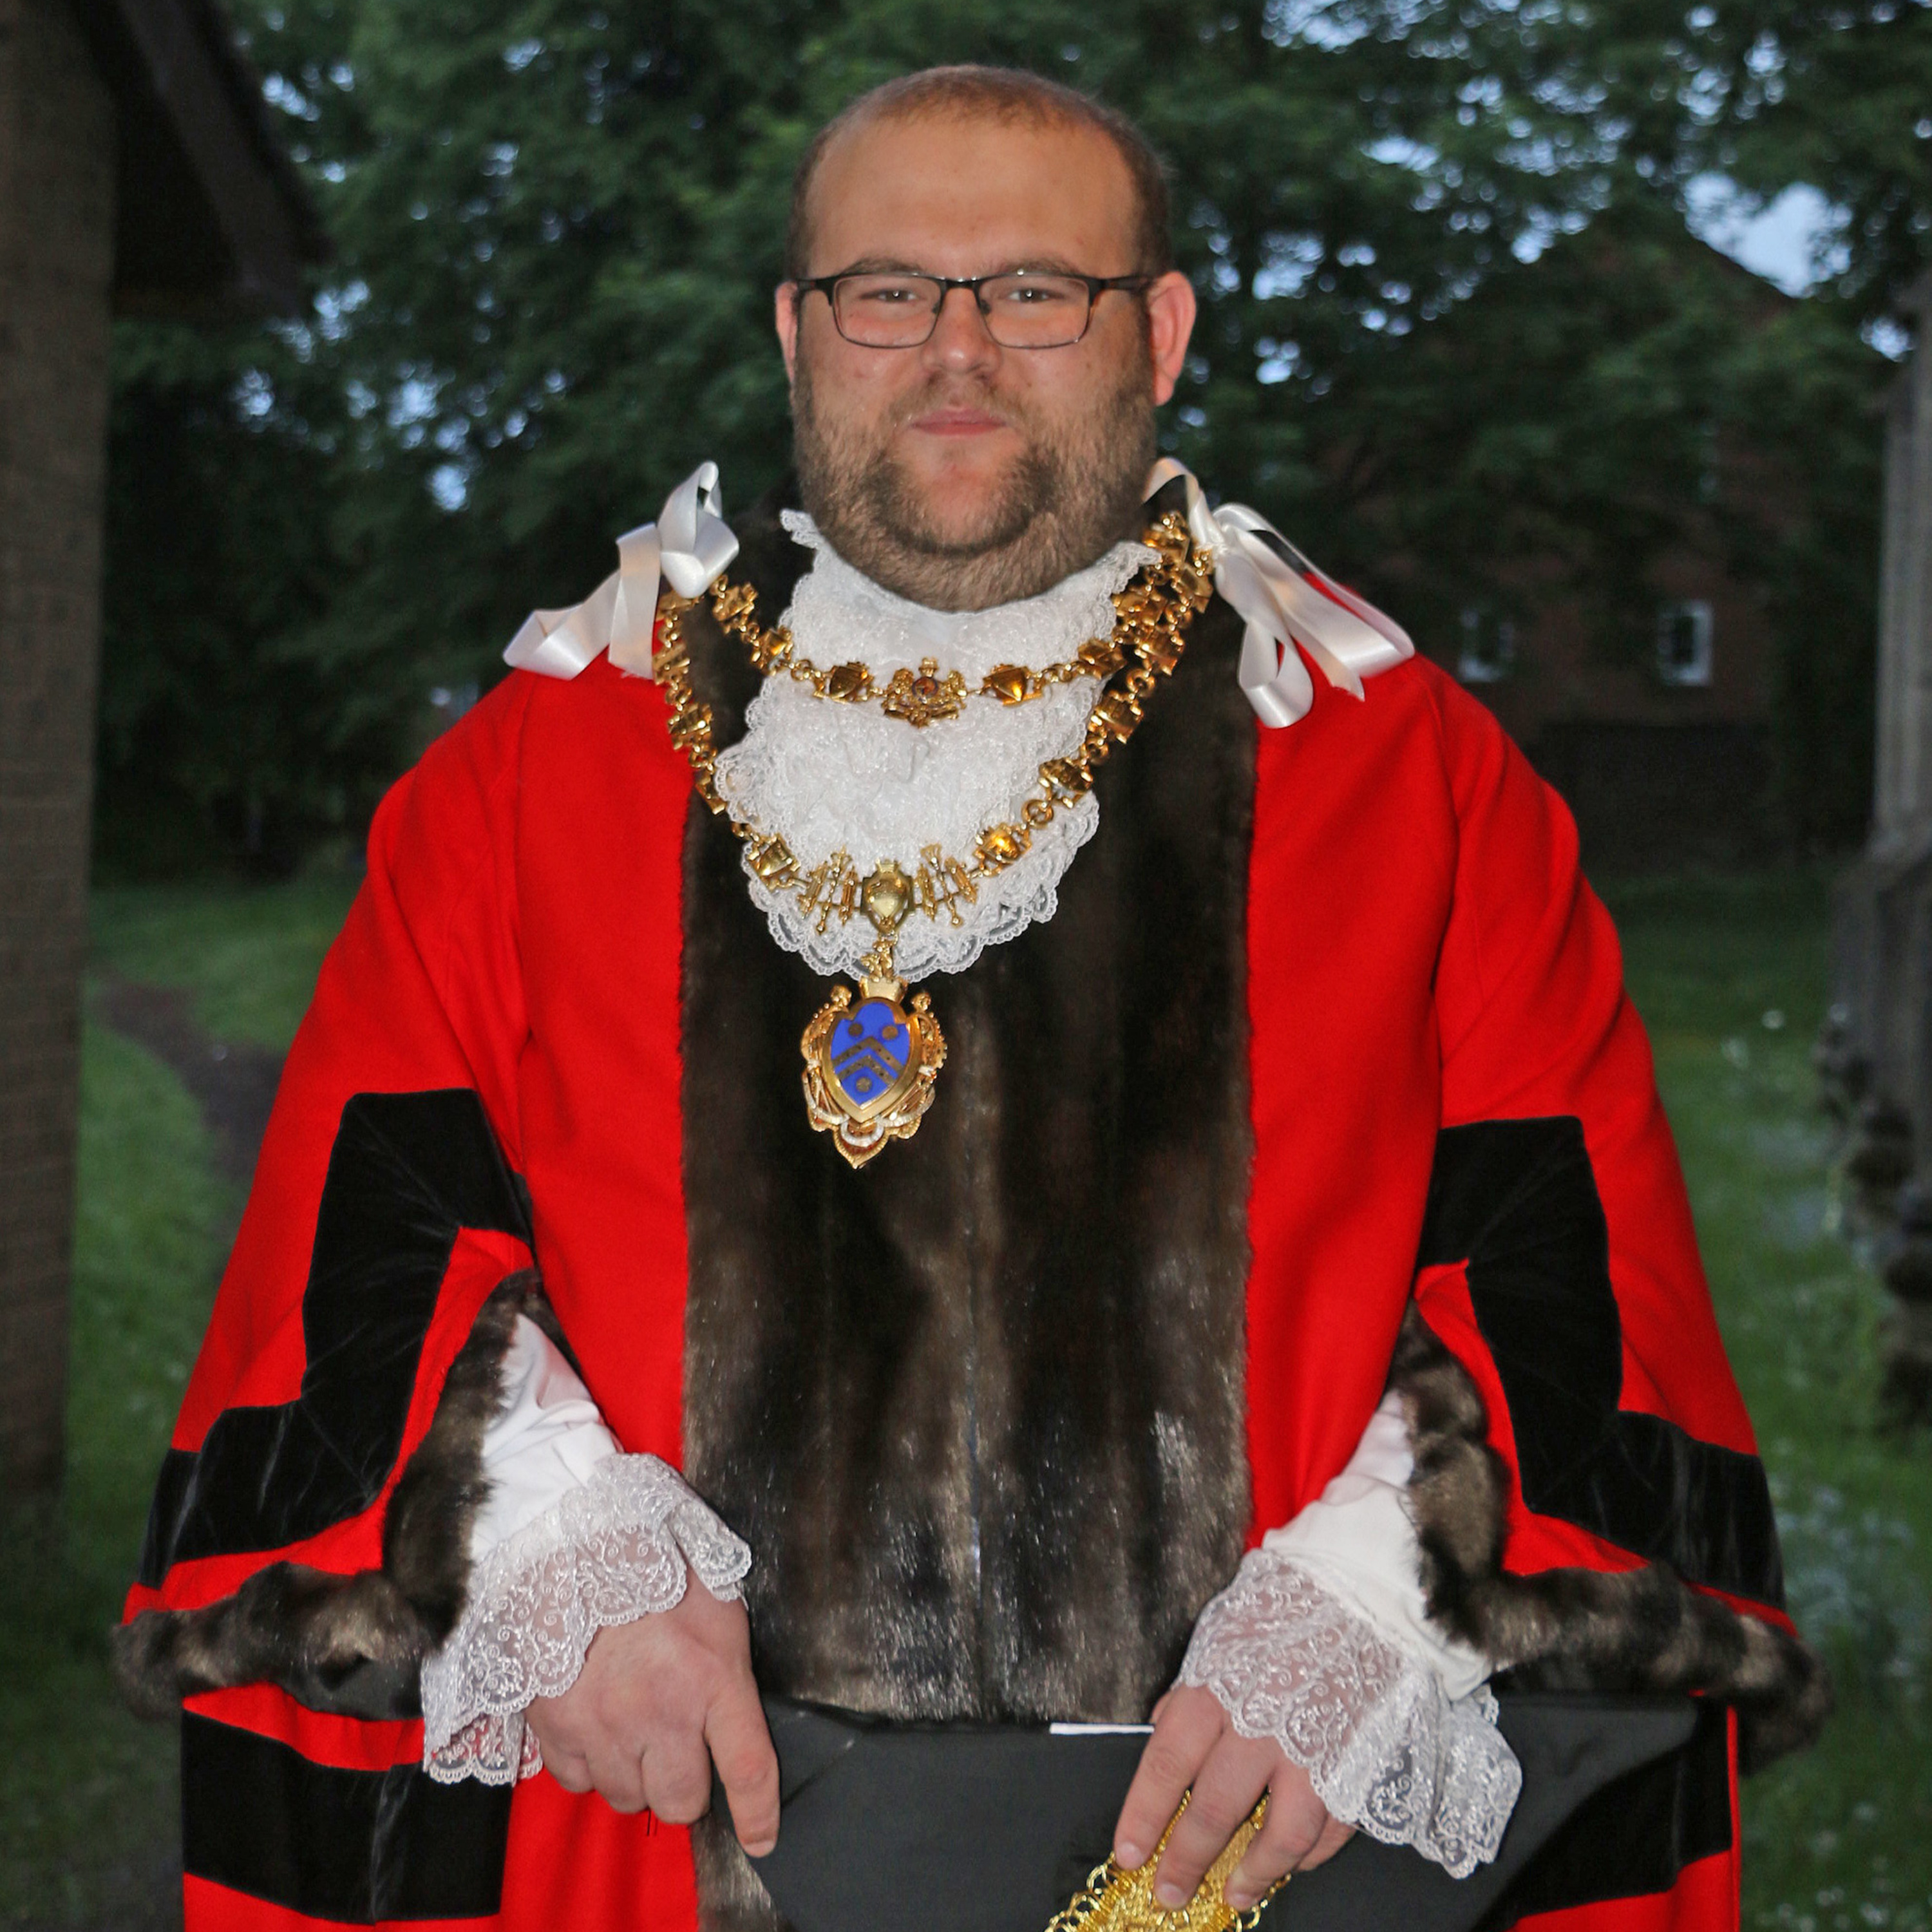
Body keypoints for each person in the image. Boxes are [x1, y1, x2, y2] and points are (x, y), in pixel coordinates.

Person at [115, 65, 1824, 1932]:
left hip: (1246, 1859)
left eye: (1034, 291)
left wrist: (1374, 1607)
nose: (956, 350)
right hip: (648, 1835)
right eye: (887, 292)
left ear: (1159, 332)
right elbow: (367, 1249)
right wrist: (536, 1542)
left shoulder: (1411, 781)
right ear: (797, 333)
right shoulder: (534, 771)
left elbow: (1575, 1299)